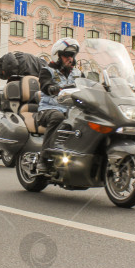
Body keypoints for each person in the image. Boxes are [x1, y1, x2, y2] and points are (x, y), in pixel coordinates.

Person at [35, 38, 82, 173]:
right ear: (58, 56)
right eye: (67, 55)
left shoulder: (78, 74)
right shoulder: (47, 71)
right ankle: (43, 159)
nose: (70, 59)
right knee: (58, 117)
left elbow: (89, 86)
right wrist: (52, 88)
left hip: (72, 112)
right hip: (48, 110)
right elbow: (45, 85)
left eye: (72, 56)